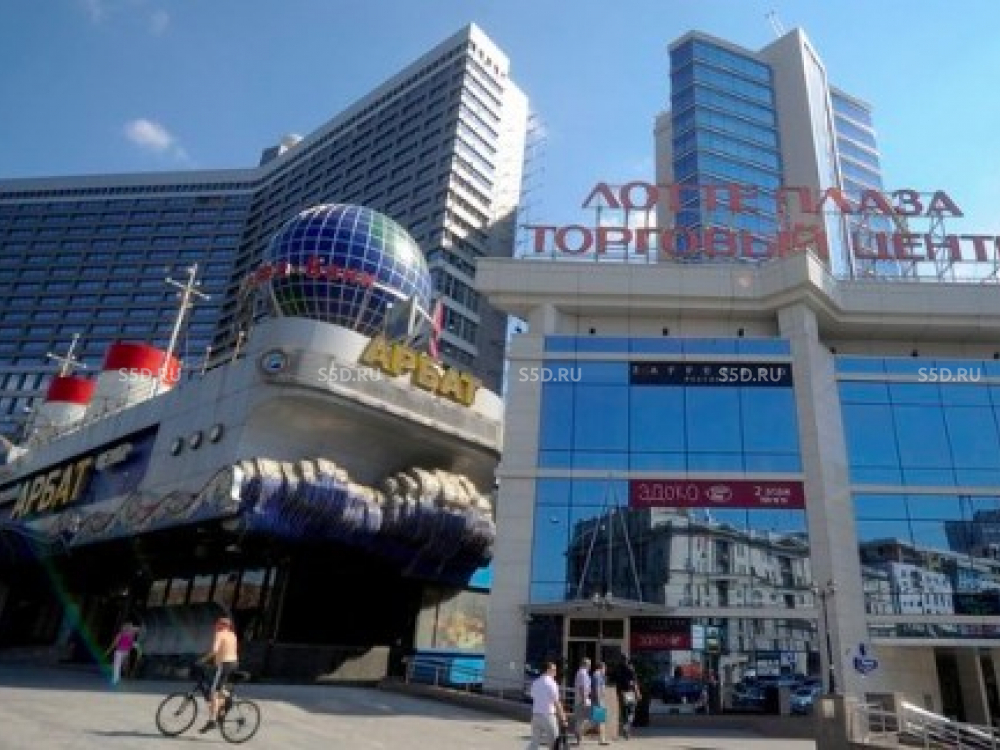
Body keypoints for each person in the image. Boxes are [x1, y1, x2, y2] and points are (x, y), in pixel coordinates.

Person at [197, 616, 239, 734]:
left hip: (224, 665)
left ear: (223, 625)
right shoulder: (233, 635)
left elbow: (215, 651)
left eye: (217, 624)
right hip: (233, 664)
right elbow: (228, 650)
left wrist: (202, 660)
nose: (215, 626)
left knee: (213, 692)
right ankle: (226, 700)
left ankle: (212, 721)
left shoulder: (220, 634)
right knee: (219, 690)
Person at [526, 661, 567, 750]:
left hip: (536, 715)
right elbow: (557, 702)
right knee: (554, 743)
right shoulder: (552, 684)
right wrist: (563, 718)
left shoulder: (535, 682)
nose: (556, 672)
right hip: (548, 716)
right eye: (554, 670)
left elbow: (533, 696)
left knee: (534, 743)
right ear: (548, 670)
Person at [613, 656, 641, 740]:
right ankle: (626, 726)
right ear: (627, 661)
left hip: (620, 692)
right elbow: (634, 683)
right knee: (631, 710)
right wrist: (638, 693)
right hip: (628, 692)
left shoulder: (617, 669)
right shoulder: (630, 669)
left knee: (623, 711)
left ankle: (625, 729)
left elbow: (612, 680)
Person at [572, 657, 592, 745]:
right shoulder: (583, 673)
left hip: (582, 698)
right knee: (592, 717)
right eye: (589, 664)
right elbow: (582, 687)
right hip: (583, 699)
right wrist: (584, 699)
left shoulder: (581, 673)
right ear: (586, 664)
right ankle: (578, 734)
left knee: (581, 719)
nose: (590, 666)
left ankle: (578, 735)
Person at [591, 661, 610, 746]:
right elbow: (597, 688)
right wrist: (599, 700)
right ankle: (602, 740)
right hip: (599, 700)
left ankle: (602, 739)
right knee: (600, 720)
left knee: (598, 720)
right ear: (602, 667)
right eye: (605, 668)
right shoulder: (598, 675)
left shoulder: (598, 675)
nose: (605, 670)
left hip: (599, 700)